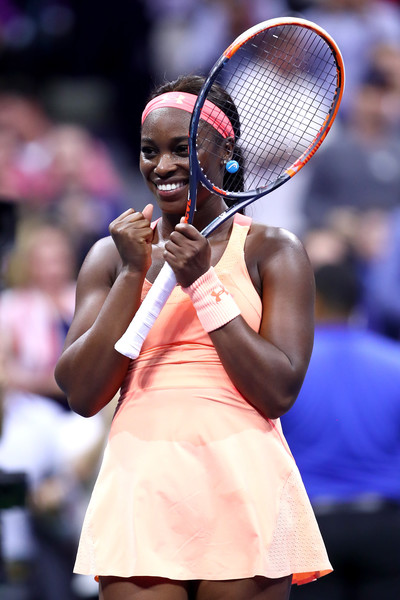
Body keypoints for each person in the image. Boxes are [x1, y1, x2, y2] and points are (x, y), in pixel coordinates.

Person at [55, 74, 332, 600]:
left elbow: (278, 392)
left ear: (225, 152)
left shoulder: (274, 251)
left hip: (242, 480)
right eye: (148, 151)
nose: (162, 166)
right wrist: (132, 274)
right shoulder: (111, 256)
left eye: (182, 149)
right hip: (142, 484)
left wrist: (203, 284)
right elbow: (82, 392)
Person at [281, 261, 400, 599]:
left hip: (311, 531)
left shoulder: (284, 370)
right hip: (387, 527)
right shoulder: (394, 363)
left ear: (307, 301)